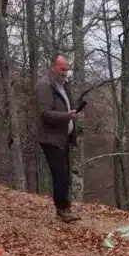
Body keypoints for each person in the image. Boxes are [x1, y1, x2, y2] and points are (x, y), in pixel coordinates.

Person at [36, 54, 81, 222]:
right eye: (62, 69)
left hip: (63, 137)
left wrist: (72, 114)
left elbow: (67, 105)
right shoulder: (44, 85)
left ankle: (64, 206)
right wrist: (67, 116)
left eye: (66, 69)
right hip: (50, 138)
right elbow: (45, 113)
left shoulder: (63, 84)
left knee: (65, 173)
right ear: (53, 67)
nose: (65, 72)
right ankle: (62, 209)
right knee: (60, 174)